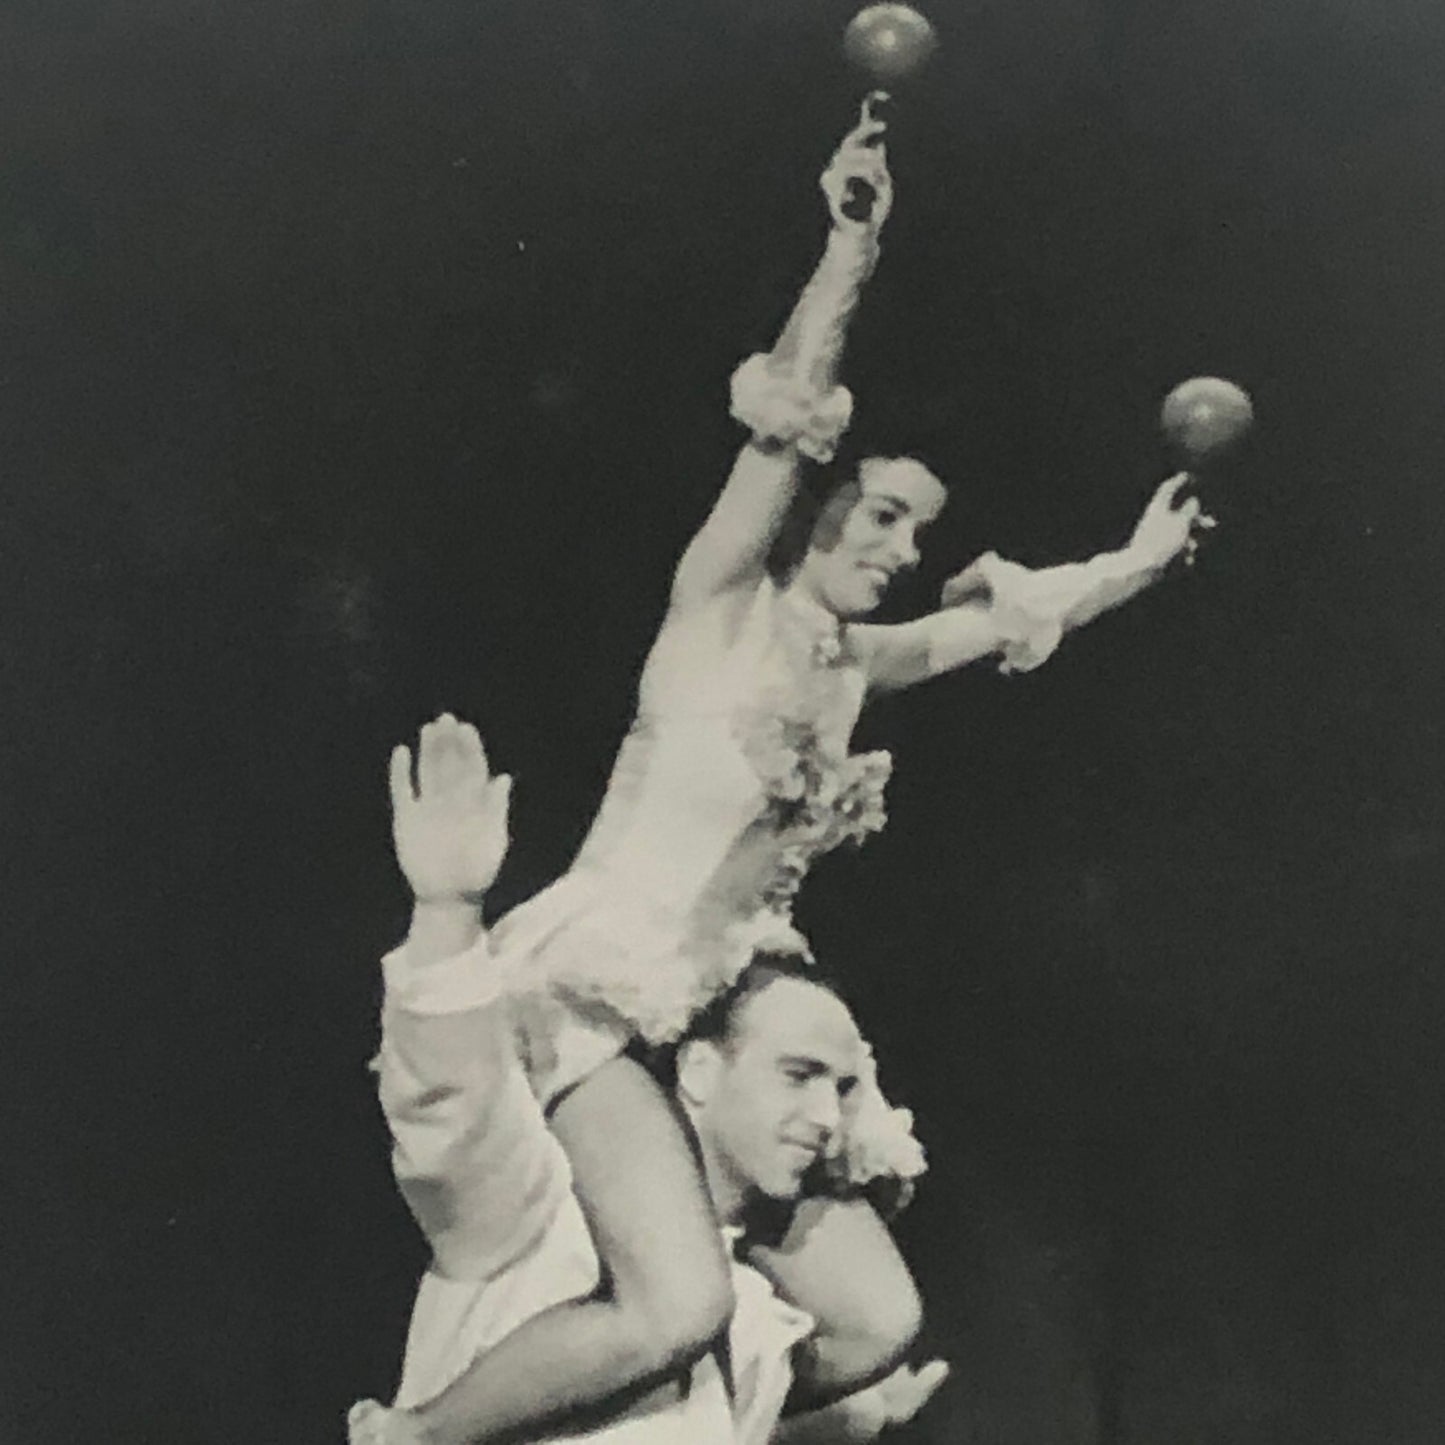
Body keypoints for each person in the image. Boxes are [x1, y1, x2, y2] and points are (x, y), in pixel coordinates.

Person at [353, 88, 1215, 1441]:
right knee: (674, 1303)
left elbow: (998, 627)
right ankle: (420, 1437)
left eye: (914, 531)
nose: (898, 548)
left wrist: (1137, 560)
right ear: (816, 510)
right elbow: (786, 414)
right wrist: (848, 255)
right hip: (592, 997)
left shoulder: (853, 667)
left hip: (717, 1017)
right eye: (878, 515)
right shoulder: (719, 600)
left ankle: (706, 1417)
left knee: (874, 1322)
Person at [350, 722, 941, 1445]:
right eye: (798, 1074)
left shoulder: (753, 1320)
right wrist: (445, 918)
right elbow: (450, 1106)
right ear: (696, 1067)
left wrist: (856, 1417)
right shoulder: (537, 1216)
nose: (826, 1112)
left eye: (843, 1087)